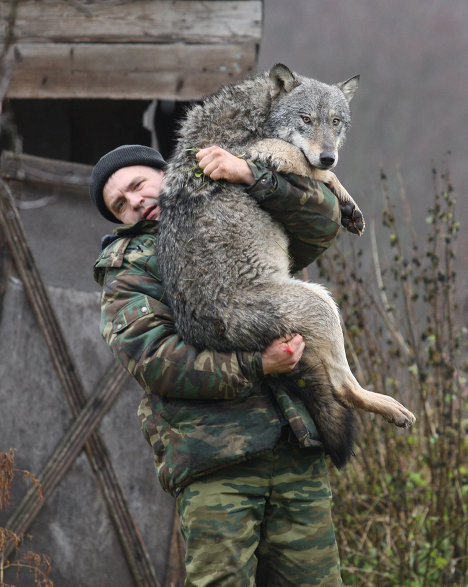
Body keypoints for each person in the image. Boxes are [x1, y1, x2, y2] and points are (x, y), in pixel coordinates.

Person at [92, 143, 344, 586]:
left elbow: (322, 223)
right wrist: (257, 365)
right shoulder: (128, 274)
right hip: (215, 464)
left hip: (296, 446)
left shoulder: (235, 211)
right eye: (120, 205)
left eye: (137, 185)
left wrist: (253, 177)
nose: (134, 202)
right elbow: (156, 361)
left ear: (165, 174)